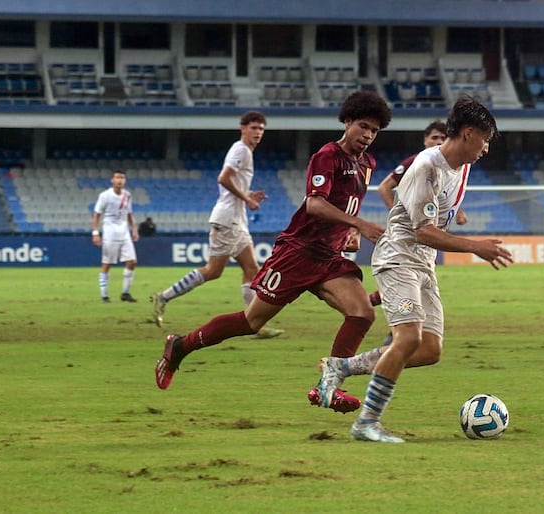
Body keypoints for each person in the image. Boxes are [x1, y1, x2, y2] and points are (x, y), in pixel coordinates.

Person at [153, 91, 393, 415]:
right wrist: (360, 224)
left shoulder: (367, 163)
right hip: (298, 253)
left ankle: (328, 387)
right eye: (362, 126)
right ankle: (179, 346)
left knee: (362, 313)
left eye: (374, 131)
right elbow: (315, 204)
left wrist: (350, 231)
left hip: (328, 258)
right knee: (251, 322)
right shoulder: (327, 156)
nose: (367, 135)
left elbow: (349, 202)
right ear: (347, 122)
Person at [315, 95, 514, 443]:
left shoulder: (463, 167)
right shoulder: (425, 167)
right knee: (407, 338)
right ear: (468, 134)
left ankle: (341, 367)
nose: (485, 149)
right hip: (398, 259)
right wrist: (475, 247)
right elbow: (422, 230)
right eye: (484, 140)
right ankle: (366, 424)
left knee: (429, 351)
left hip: (423, 263)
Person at [149, 111, 281, 340]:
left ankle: (254, 324)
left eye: (261, 129)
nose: (258, 133)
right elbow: (223, 178)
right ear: (243, 128)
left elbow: (230, 185)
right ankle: (164, 297)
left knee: (251, 270)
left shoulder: (244, 151)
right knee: (213, 271)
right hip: (229, 219)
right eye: (254, 128)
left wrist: (248, 195)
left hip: (234, 219)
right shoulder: (241, 150)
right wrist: (247, 198)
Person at [369, 120, 468, 342]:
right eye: (434, 137)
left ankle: (393, 327)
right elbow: (384, 186)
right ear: (425, 140)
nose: (439, 141)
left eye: (443, 138)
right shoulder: (417, 162)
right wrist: (401, 217)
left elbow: (440, 195)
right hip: (412, 239)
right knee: (409, 289)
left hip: (427, 246)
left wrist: (458, 211)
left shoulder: (452, 166)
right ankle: (394, 334)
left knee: (417, 288)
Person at [91, 169, 139, 303]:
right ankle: (104, 295)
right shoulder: (105, 195)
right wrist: (95, 233)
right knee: (107, 264)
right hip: (110, 233)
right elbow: (96, 214)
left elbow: (129, 214)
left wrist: (134, 229)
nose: (120, 180)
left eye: (122, 178)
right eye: (117, 177)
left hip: (124, 233)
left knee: (132, 262)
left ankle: (125, 293)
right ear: (112, 180)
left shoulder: (127, 195)